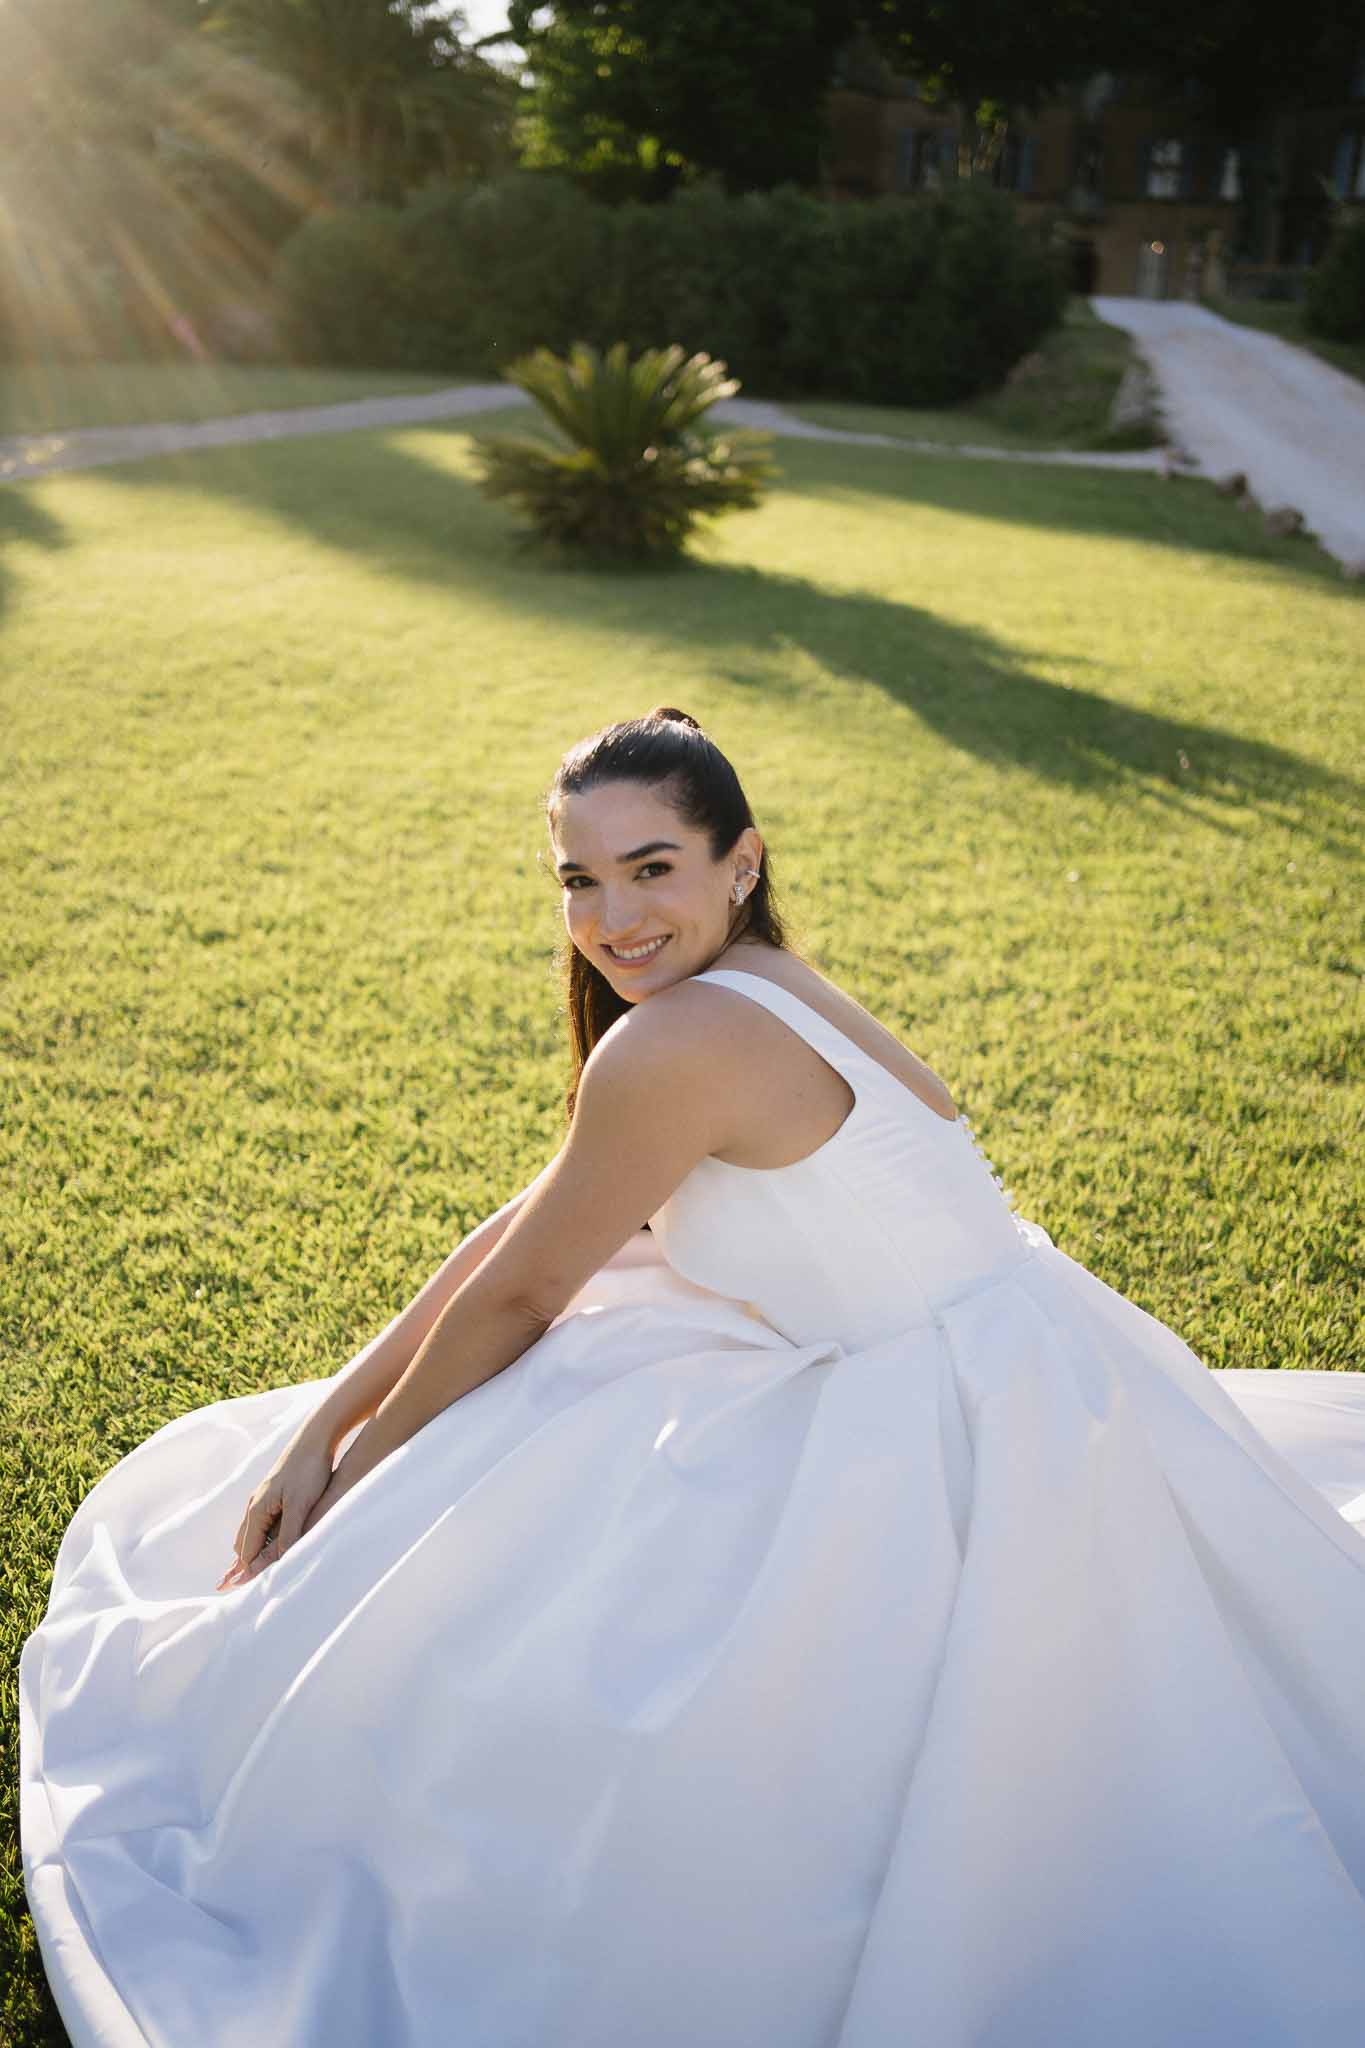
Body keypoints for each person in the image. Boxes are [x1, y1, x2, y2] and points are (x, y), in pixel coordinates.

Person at [19, 706, 1365, 2048]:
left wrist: (361, 1486)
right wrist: (329, 1424)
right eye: (578, 879)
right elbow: (531, 1226)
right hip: (1032, 1354)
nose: (611, 917)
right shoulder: (769, 978)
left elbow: (528, 1292)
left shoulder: (680, 1039)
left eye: (650, 866)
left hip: (935, 1413)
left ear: (740, 860)